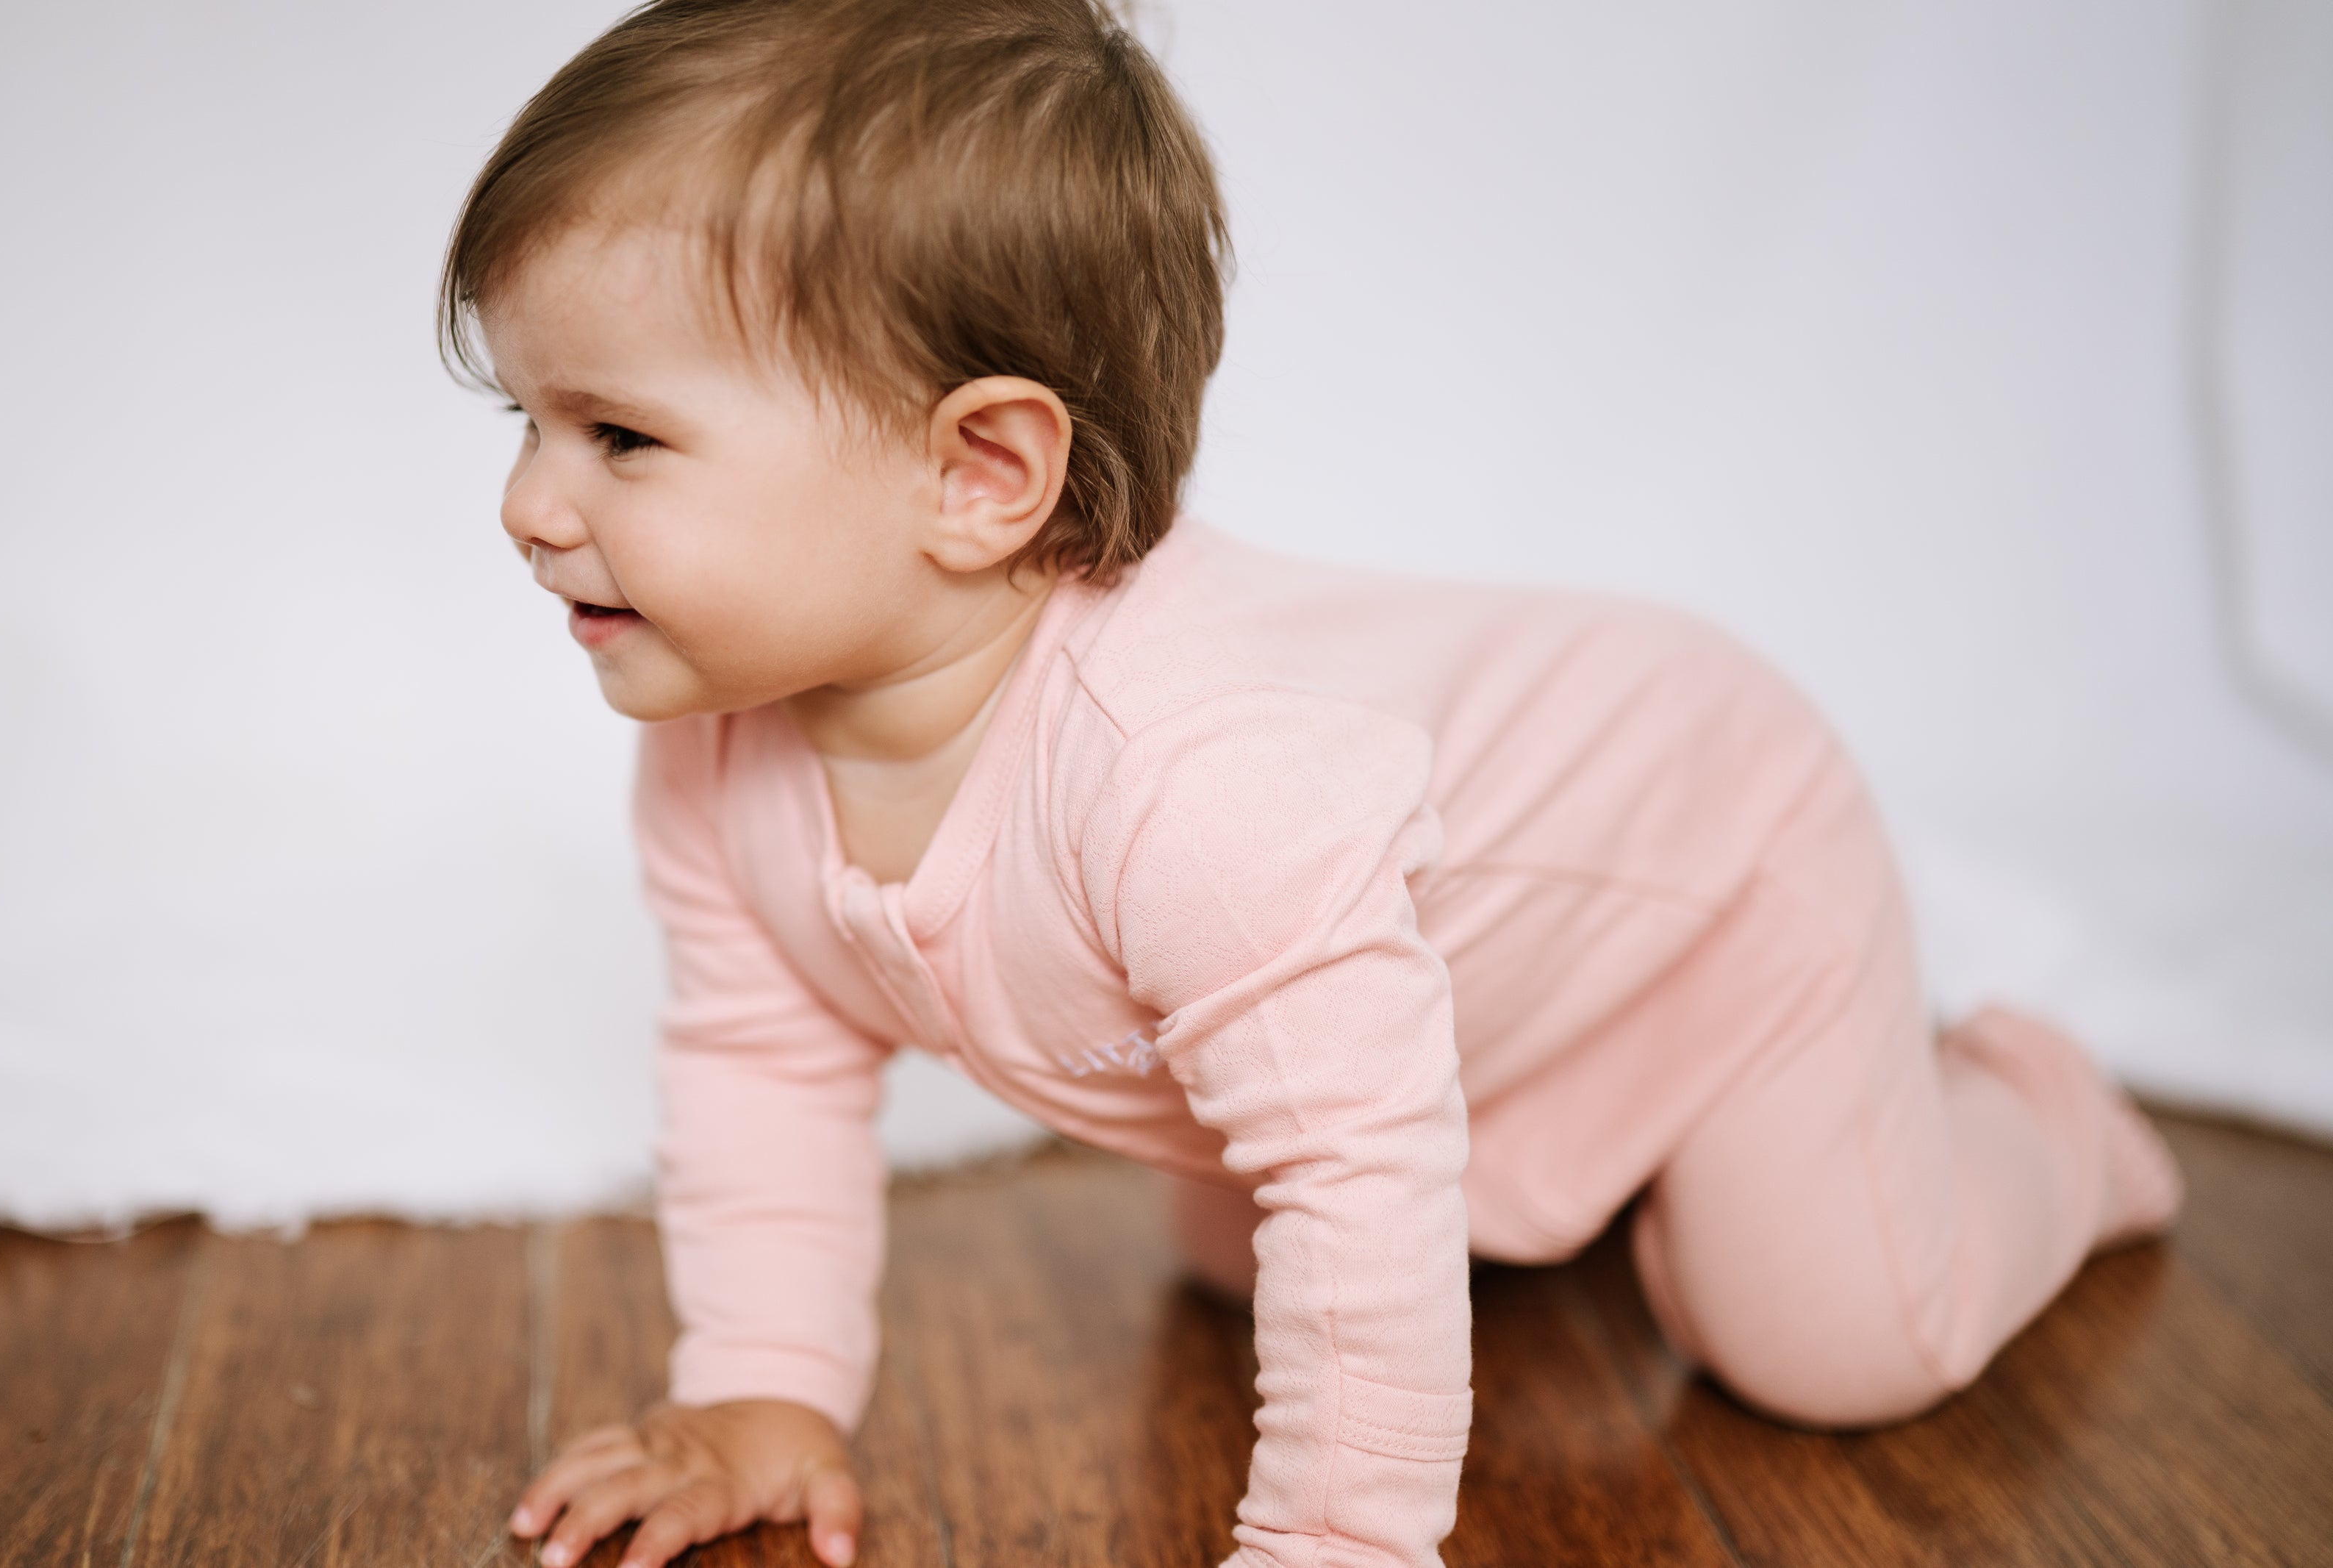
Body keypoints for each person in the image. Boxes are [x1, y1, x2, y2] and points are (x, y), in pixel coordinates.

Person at [446, 3, 2185, 1564]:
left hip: (1710, 872)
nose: (531, 502)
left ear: (980, 472)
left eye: (621, 436)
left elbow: (1354, 1171)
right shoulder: (712, 749)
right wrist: (761, 1387)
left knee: (1831, 1342)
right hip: (1435, 946)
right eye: (524, 419)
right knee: (1239, 1259)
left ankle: (2039, 1110)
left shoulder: (1200, 780)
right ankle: (1547, 1153)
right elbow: (766, 1059)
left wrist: (1338, 1539)